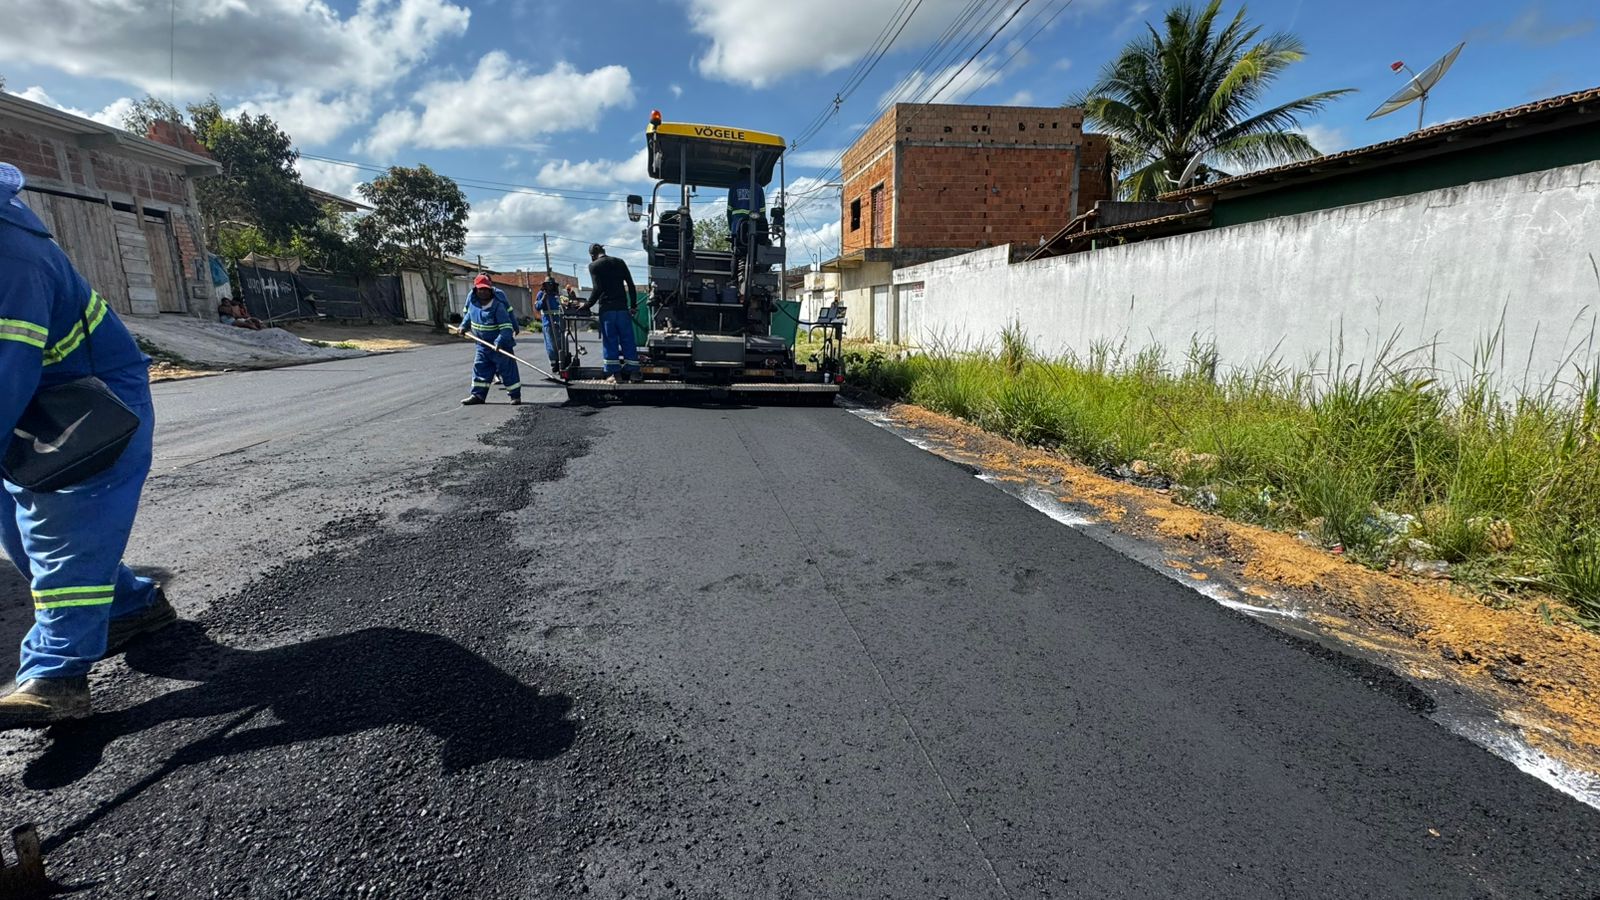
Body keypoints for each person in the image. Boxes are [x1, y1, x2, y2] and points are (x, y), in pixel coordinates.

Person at [0, 162, 177, 728]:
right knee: (19, 530)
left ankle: (56, 676)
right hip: (31, 400)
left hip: (91, 399)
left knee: (62, 527)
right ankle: (133, 604)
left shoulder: (12, 257)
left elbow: (8, 368)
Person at [453, 274, 521, 406]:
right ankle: (478, 395)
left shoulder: (498, 306)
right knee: (480, 368)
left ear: (490, 290)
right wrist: (462, 327)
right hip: (482, 345)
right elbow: (468, 317)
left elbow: (506, 328)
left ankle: (515, 396)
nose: (483, 292)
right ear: (475, 290)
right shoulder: (473, 303)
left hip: (500, 346)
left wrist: (499, 342)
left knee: (507, 370)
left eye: (486, 289)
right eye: (480, 289)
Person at [579, 244, 639, 383]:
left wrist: (587, 305)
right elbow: (630, 284)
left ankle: (614, 374)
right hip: (623, 309)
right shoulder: (619, 262)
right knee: (628, 340)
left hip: (607, 310)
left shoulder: (594, 265)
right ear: (603, 251)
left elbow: (598, 288)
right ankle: (634, 372)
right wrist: (633, 305)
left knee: (610, 341)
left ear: (592, 255)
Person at [727, 166, 766, 254]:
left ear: (740, 174)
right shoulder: (758, 188)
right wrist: (763, 229)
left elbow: (729, 209)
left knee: (736, 252)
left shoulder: (734, 187)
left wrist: (731, 227)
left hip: (737, 226)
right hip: (754, 227)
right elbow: (762, 211)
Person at [534, 276, 564, 373]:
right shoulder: (541, 294)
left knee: (560, 343)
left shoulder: (557, 295)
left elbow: (561, 306)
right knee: (551, 344)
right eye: (548, 284)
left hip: (558, 321)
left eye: (551, 284)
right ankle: (554, 363)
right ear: (545, 285)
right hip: (548, 322)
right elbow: (537, 307)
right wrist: (543, 299)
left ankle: (562, 362)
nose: (550, 286)